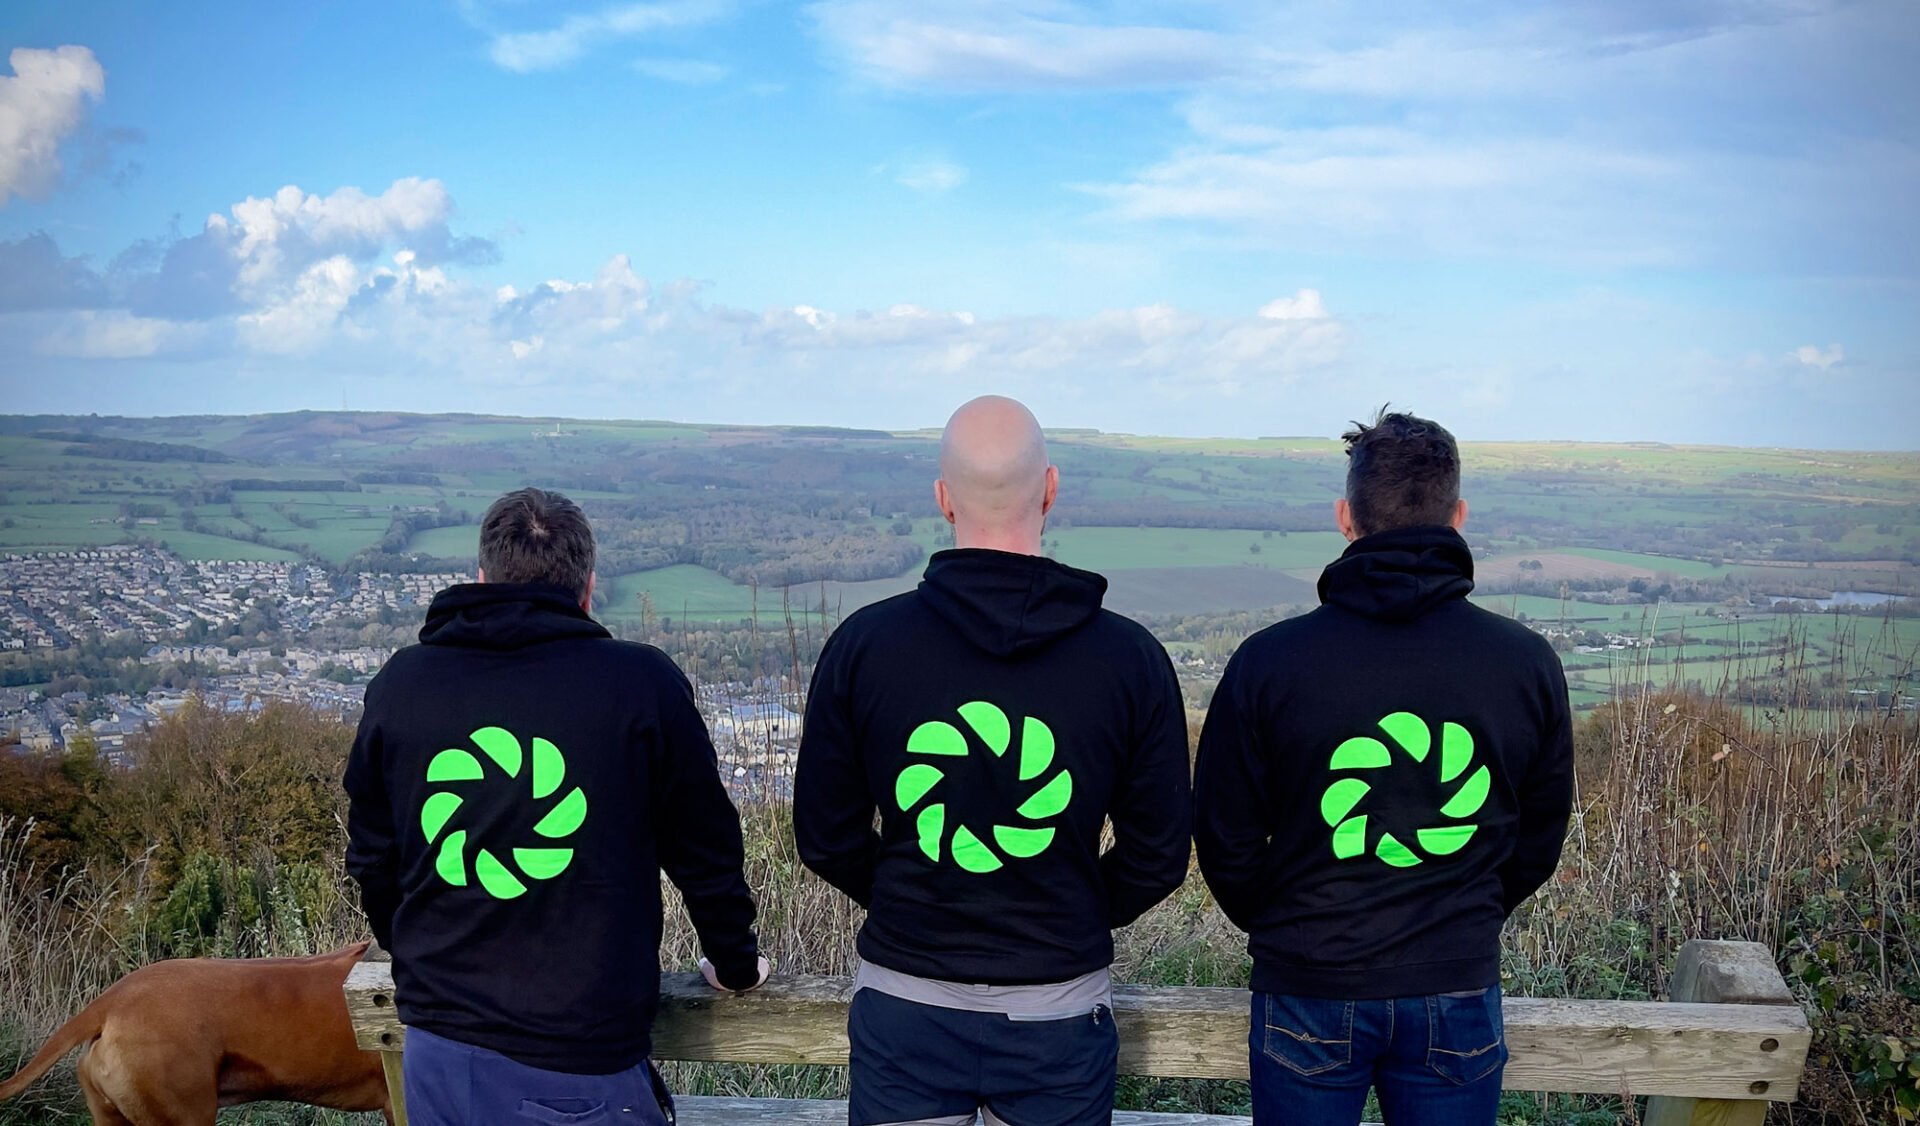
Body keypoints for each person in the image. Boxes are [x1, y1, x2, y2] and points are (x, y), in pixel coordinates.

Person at [794, 395, 1192, 1126]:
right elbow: (1159, 854)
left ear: (943, 500)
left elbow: (825, 835)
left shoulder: (865, 647)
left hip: (904, 1006)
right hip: (1061, 1013)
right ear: (1050, 488)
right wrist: (1068, 907)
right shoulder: (1129, 660)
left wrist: (911, 896)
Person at [1193, 409, 1574, 1125]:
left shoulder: (1270, 664)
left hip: (1307, 981)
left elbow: (1224, 839)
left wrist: (1291, 927)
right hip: (1456, 985)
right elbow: (1538, 839)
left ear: (1345, 517)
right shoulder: (1523, 664)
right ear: (1456, 516)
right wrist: (1467, 915)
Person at [344, 487, 768, 1126]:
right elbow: (705, 850)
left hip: (437, 1050)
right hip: (582, 1056)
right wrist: (734, 962)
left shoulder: (403, 685)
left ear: (481, 578)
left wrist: (420, 957)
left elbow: (373, 860)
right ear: (588, 589)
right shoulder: (639, 685)